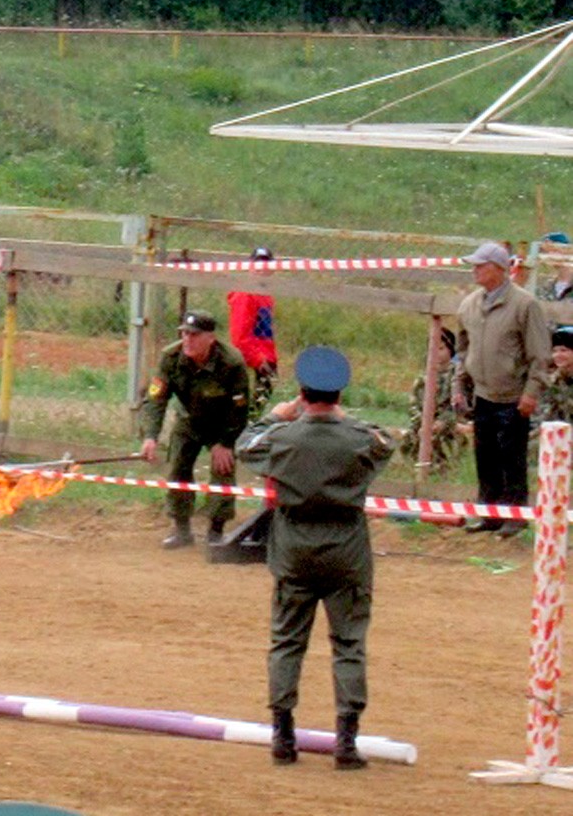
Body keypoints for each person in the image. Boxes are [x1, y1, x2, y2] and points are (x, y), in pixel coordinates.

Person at [237, 346, 395, 770]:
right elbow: (386, 443)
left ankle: (283, 735)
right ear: (339, 396)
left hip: (294, 547)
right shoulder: (359, 438)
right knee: (348, 644)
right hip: (346, 547)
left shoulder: (282, 437)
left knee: (287, 640)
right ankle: (346, 740)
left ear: (302, 393)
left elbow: (244, 445)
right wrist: (345, 421)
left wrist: (277, 415)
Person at [454, 241, 551, 537]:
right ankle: (489, 513)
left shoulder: (525, 305)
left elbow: (539, 354)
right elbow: (462, 347)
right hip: (482, 394)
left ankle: (515, 515)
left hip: (513, 395)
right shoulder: (469, 304)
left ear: (499, 269)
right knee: (485, 456)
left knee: (512, 457)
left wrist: (531, 392)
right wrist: (461, 384)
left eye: (480, 265)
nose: (475, 270)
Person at [140, 309, 252, 549]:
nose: (187, 340)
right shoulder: (171, 357)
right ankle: (181, 530)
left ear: (210, 338)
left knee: (223, 469)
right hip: (189, 419)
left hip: (223, 423)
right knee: (177, 467)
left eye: (194, 335)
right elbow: (156, 399)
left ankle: (216, 530)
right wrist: (151, 436)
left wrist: (225, 442)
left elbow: (240, 408)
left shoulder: (231, 362)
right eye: (184, 334)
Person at [400, 326, 464, 472]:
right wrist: (422, 422)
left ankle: (442, 468)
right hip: (425, 424)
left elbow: (459, 406)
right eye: (432, 349)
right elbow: (413, 405)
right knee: (411, 439)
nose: (437, 353)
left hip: (449, 424)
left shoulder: (459, 376)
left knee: (445, 439)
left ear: (450, 350)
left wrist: (443, 422)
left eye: (441, 348)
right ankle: (416, 468)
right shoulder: (423, 378)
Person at [228, 246, 280, 418]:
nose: (262, 267)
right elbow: (240, 335)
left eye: (266, 263)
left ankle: (251, 425)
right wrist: (258, 359)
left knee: (260, 401)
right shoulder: (246, 293)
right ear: (250, 265)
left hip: (265, 354)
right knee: (242, 403)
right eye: (258, 263)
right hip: (253, 356)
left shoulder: (265, 293)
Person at [537, 325, 573, 426]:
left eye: (563, 350)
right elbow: (544, 416)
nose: (557, 355)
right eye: (554, 351)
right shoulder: (552, 382)